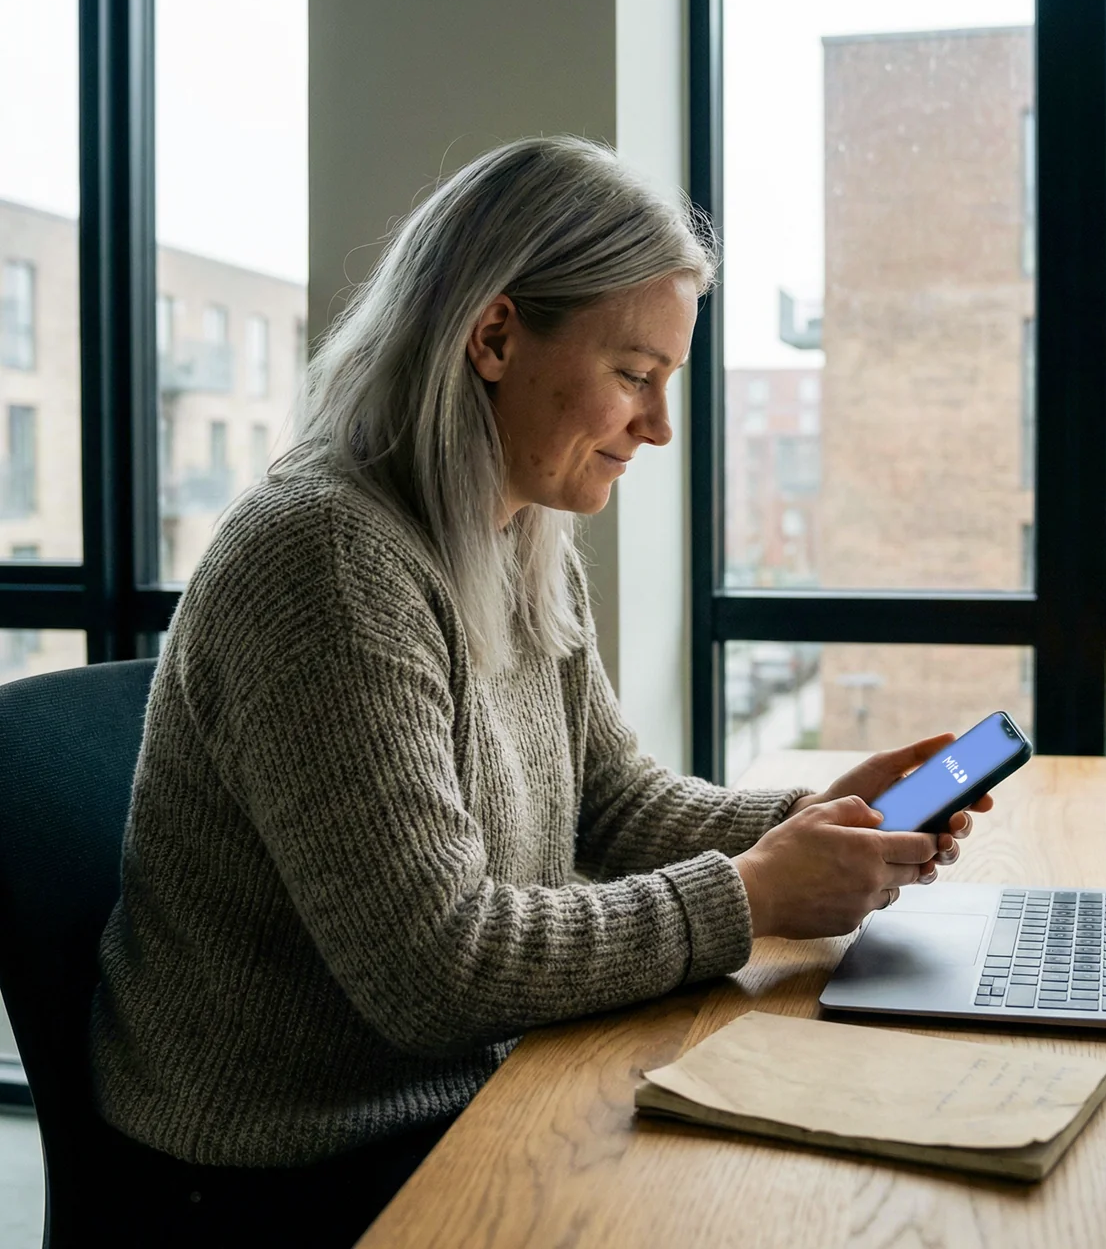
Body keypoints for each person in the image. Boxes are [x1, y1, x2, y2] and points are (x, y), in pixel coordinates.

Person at [88, 137, 992, 1245]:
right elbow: (437, 967)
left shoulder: (518, 532)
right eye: (634, 374)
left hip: (466, 1095)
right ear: (496, 336)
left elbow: (612, 803)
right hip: (278, 1169)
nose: (658, 426)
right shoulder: (323, 559)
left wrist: (810, 823)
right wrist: (752, 893)